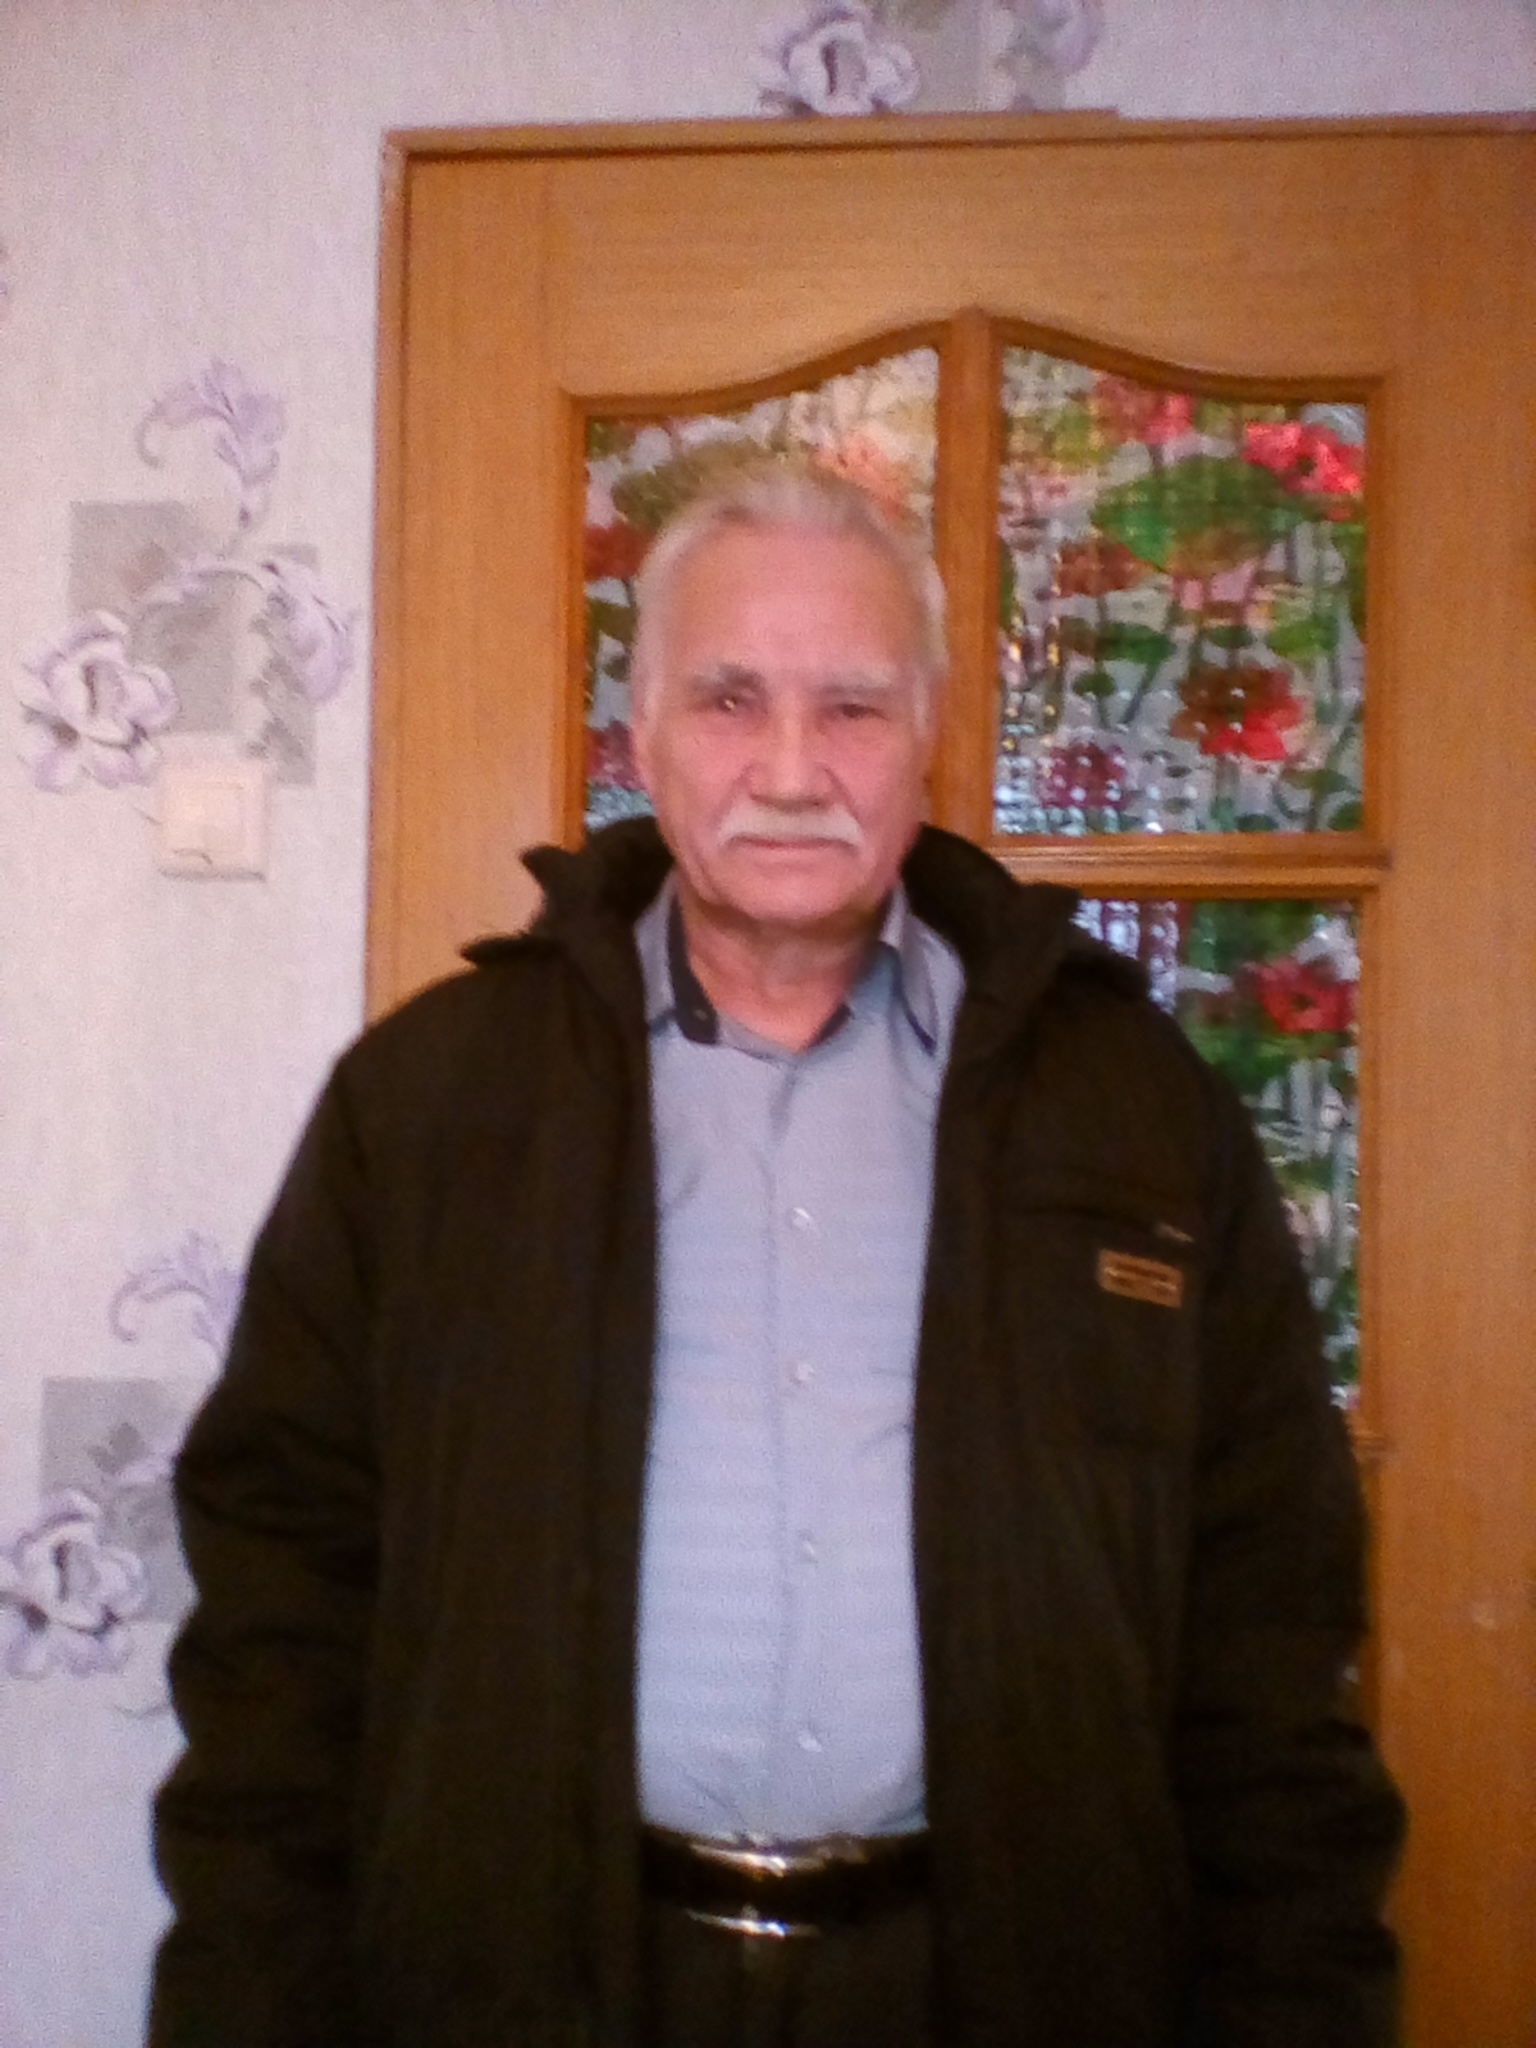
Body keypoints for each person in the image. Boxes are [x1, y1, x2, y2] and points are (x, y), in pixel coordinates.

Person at [150, 461, 1404, 2048]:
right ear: (643, 732)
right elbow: (281, 1629)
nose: (793, 769)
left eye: (854, 707)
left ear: (930, 731)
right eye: (731, 698)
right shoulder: (427, 1108)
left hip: (1009, 1986)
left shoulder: (1136, 1114)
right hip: (530, 1980)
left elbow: (1269, 1643)